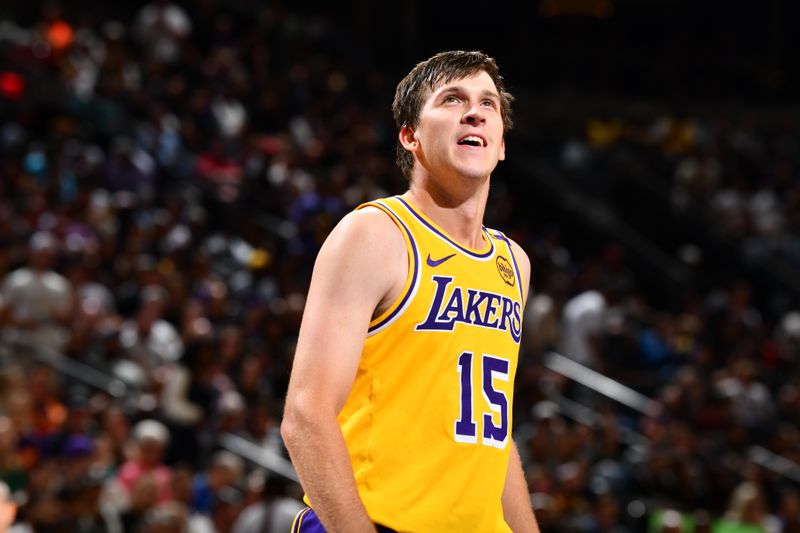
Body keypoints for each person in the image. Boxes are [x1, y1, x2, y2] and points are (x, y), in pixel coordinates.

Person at [281, 50, 540, 532]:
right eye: (453, 99)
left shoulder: (514, 264)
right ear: (410, 136)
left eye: (489, 104)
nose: (475, 111)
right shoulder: (375, 234)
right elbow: (304, 415)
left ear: (501, 143)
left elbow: (492, 433)